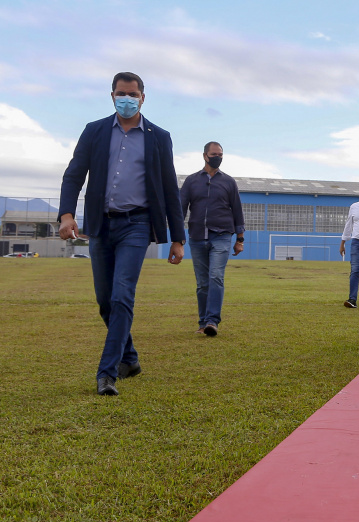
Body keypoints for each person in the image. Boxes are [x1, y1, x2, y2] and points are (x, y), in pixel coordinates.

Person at [58, 72, 185, 396]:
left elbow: (170, 188)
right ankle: (130, 358)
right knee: (105, 301)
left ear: (143, 97)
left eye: (132, 94)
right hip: (101, 226)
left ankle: (107, 373)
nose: (126, 99)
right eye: (120, 94)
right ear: (111, 95)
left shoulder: (158, 137)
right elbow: (73, 175)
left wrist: (178, 238)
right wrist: (67, 214)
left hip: (137, 225)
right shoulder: (95, 131)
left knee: (121, 295)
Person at [180, 141, 245, 337]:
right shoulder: (191, 181)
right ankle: (202, 322)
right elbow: (180, 209)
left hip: (222, 236)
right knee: (202, 283)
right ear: (205, 156)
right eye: (214, 154)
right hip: (198, 237)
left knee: (216, 276)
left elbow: (237, 211)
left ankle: (212, 321)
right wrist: (177, 238)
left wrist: (240, 238)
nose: (218, 157)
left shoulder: (229, 182)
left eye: (221, 154)